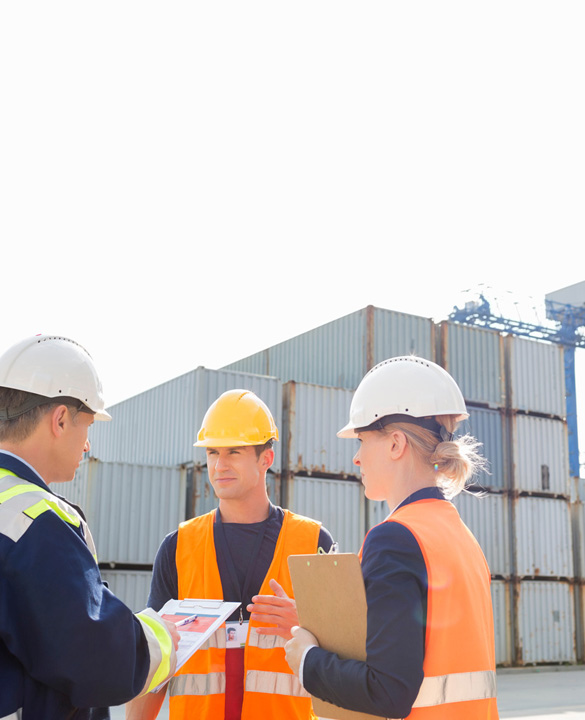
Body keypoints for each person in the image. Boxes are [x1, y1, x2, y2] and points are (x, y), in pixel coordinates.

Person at [284, 356, 499, 719]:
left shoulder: (395, 539)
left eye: (363, 440)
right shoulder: (460, 536)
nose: (356, 458)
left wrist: (307, 659)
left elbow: (388, 691)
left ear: (396, 444)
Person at [126, 388, 335, 720]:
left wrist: (307, 625)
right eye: (212, 452)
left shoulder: (312, 542)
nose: (219, 465)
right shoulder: (179, 547)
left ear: (265, 458)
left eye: (234, 452)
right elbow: (156, 659)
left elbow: (345, 657)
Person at [0, 334, 179, 720]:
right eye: (87, 425)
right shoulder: (36, 520)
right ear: (61, 419)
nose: (87, 445)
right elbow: (95, 658)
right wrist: (160, 637)